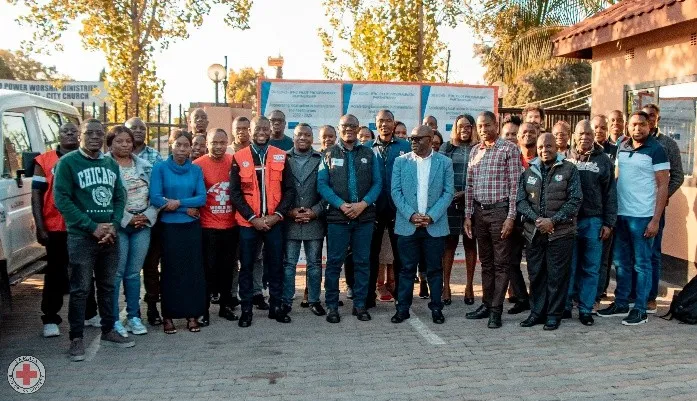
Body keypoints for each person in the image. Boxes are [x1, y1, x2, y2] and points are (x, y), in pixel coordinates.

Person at [53, 119, 132, 362]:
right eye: (89, 133)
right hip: (82, 237)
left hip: (109, 235)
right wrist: (91, 227)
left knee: (108, 286)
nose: (95, 137)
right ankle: (76, 338)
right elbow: (62, 199)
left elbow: (119, 196)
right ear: (80, 135)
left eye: (99, 133)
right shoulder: (68, 163)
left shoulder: (110, 163)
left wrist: (114, 224)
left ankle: (108, 330)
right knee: (80, 289)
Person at [597, 111, 670, 326]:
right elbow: (617, 177)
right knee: (621, 263)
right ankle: (621, 303)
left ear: (649, 126)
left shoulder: (657, 150)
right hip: (621, 215)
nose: (637, 128)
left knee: (642, 264)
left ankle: (640, 309)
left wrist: (655, 220)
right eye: (633, 125)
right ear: (627, 127)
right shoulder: (623, 146)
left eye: (642, 124)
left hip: (643, 216)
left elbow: (663, 186)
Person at [33, 122, 100, 338]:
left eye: (73, 130)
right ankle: (50, 318)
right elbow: (36, 195)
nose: (70, 133)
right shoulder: (43, 160)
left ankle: (90, 313)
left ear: (79, 135)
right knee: (55, 273)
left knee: (85, 271)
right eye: (65, 130)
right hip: (56, 226)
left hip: (83, 225)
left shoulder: (88, 158)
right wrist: (40, 226)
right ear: (58, 134)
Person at [230, 116, 296, 327]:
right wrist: (253, 218)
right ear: (250, 131)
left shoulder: (280, 156)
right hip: (248, 223)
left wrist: (277, 216)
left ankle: (276, 307)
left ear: (270, 131)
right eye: (257, 128)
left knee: (276, 265)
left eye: (265, 129)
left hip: (274, 222)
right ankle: (246, 310)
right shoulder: (239, 157)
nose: (261, 132)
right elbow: (235, 193)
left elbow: (289, 190)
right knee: (247, 266)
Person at [318, 114, 382, 323]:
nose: (349, 129)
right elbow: (322, 185)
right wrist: (341, 204)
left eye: (353, 126)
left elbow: (377, 183)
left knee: (362, 262)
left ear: (358, 128)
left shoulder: (369, 153)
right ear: (339, 128)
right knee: (334, 263)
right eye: (345, 126)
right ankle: (331, 305)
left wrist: (363, 204)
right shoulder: (328, 153)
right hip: (338, 217)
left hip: (364, 217)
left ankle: (360, 305)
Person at [517, 133, 582, 330]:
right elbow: (520, 201)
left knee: (557, 276)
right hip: (534, 233)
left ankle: (554, 315)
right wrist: (537, 220)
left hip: (560, 233)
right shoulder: (528, 172)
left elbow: (575, 200)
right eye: (541, 147)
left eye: (548, 146)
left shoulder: (569, 169)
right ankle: (537, 313)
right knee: (536, 275)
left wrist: (552, 221)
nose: (545, 150)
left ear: (556, 147)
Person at [390, 125, 454, 324]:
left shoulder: (445, 162)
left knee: (434, 270)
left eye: (418, 138)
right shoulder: (401, 162)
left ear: (430, 139)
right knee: (406, 269)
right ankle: (402, 309)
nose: (413, 142)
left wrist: (431, 216)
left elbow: (448, 193)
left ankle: (436, 308)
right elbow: (396, 192)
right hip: (407, 225)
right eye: (412, 138)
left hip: (434, 226)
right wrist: (410, 215)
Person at [464, 111, 522, 329]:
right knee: (486, 263)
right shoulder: (474, 151)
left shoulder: (509, 149)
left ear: (496, 125)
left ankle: (496, 310)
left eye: (487, 125)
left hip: (500, 213)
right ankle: (486, 304)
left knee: (501, 264)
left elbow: (515, 186)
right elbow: (469, 186)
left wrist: (511, 217)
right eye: (479, 126)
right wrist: (468, 215)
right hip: (479, 213)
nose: (483, 129)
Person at [150, 130, 207, 334]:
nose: (182, 149)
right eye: (178, 145)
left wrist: (177, 203)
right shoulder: (160, 168)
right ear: (171, 145)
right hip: (169, 227)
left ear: (190, 147)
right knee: (171, 271)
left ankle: (192, 315)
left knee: (192, 271)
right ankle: (168, 316)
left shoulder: (196, 170)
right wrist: (185, 207)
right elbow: (156, 197)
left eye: (186, 145)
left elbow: (201, 198)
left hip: (191, 227)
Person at [107, 126, 158, 337]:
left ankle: (134, 317)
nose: (125, 145)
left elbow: (156, 195)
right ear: (110, 144)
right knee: (117, 273)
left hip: (142, 225)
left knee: (134, 273)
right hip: (120, 226)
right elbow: (106, 199)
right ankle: (113, 320)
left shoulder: (145, 166)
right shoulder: (105, 166)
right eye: (119, 141)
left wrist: (147, 216)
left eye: (128, 141)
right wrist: (127, 219)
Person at [564, 120, 616, 326]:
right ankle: (566, 306)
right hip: (569, 221)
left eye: (589, 133)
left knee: (591, 268)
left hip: (594, 221)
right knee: (569, 266)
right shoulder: (565, 158)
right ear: (574, 136)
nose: (585, 137)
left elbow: (610, 193)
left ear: (594, 136)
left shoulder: (603, 160)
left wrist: (609, 223)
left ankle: (585, 309)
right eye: (581, 133)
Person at [193, 128, 239, 326]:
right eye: (214, 143)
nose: (218, 147)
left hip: (231, 225)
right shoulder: (198, 165)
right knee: (208, 270)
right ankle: (203, 309)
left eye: (222, 143)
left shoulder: (234, 161)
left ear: (227, 143)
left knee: (227, 269)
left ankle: (225, 306)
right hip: (208, 226)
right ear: (207, 144)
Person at [367, 109, 410, 309]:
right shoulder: (366, 147)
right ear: (376, 124)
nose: (384, 124)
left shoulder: (405, 147)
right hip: (373, 209)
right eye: (380, 121)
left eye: (388, 121)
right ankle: (368, 297)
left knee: (401, 256)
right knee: (371, 256)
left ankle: (402, 297)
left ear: (394, 123)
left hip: (398, 209)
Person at [643, 103, 683, 314]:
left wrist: (664, 196)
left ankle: (651, 297)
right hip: (633, 206)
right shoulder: (632, 142)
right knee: (632, 253)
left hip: (655, 208)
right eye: (645, 116)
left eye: (652, 116)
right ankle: (633, 294)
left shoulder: (667, 144)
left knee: (653, 252)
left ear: (657, 118)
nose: (648, 119)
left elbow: (677, 175)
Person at [282, 124, 326, 317]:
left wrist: (315, 211)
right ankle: (286, 302)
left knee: (314, 264)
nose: (303, 138)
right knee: (289, 264)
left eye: (307, 135)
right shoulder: (283, 158)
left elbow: (328, 189)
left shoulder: (321, 159)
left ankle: (314, 300)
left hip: (314, 220)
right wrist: (289, 211)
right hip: (290, 220)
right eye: (299, 134)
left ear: (312, 138)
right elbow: (277, 189)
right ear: (293, 137)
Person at [128, 118, 164, 327]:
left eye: (142, 128)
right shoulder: (113, 157)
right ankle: (131, 312)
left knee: (150, 267)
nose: (138, 131)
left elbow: (158, 189)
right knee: (126, 270)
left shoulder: (155, 156)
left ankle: (152, 307)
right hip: (124, 221)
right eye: (133, 128)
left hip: (149, 220)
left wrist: (147, 215)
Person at [440, 114, 478, 305]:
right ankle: (446, 286)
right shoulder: (446, 148)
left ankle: (469, 286)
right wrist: (452, 192)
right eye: (461, 126)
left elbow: (482, 175)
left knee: (470, 244)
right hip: (450, 202)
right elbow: (440, 173)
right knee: (449, 244)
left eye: (468, 126)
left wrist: (466, 193)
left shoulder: (478, 148)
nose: (464, 129)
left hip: (472, 202)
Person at [507, 122, 540, 315]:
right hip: (513, 218)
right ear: (518, 137)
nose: (528, 135)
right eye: (524, 132)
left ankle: (536, 300)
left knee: (535, 264)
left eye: (532, 132)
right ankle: (521, 299)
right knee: (511, 262)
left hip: (535, 220)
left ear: (538, 134)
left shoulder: (543, 159)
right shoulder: (511, 159)